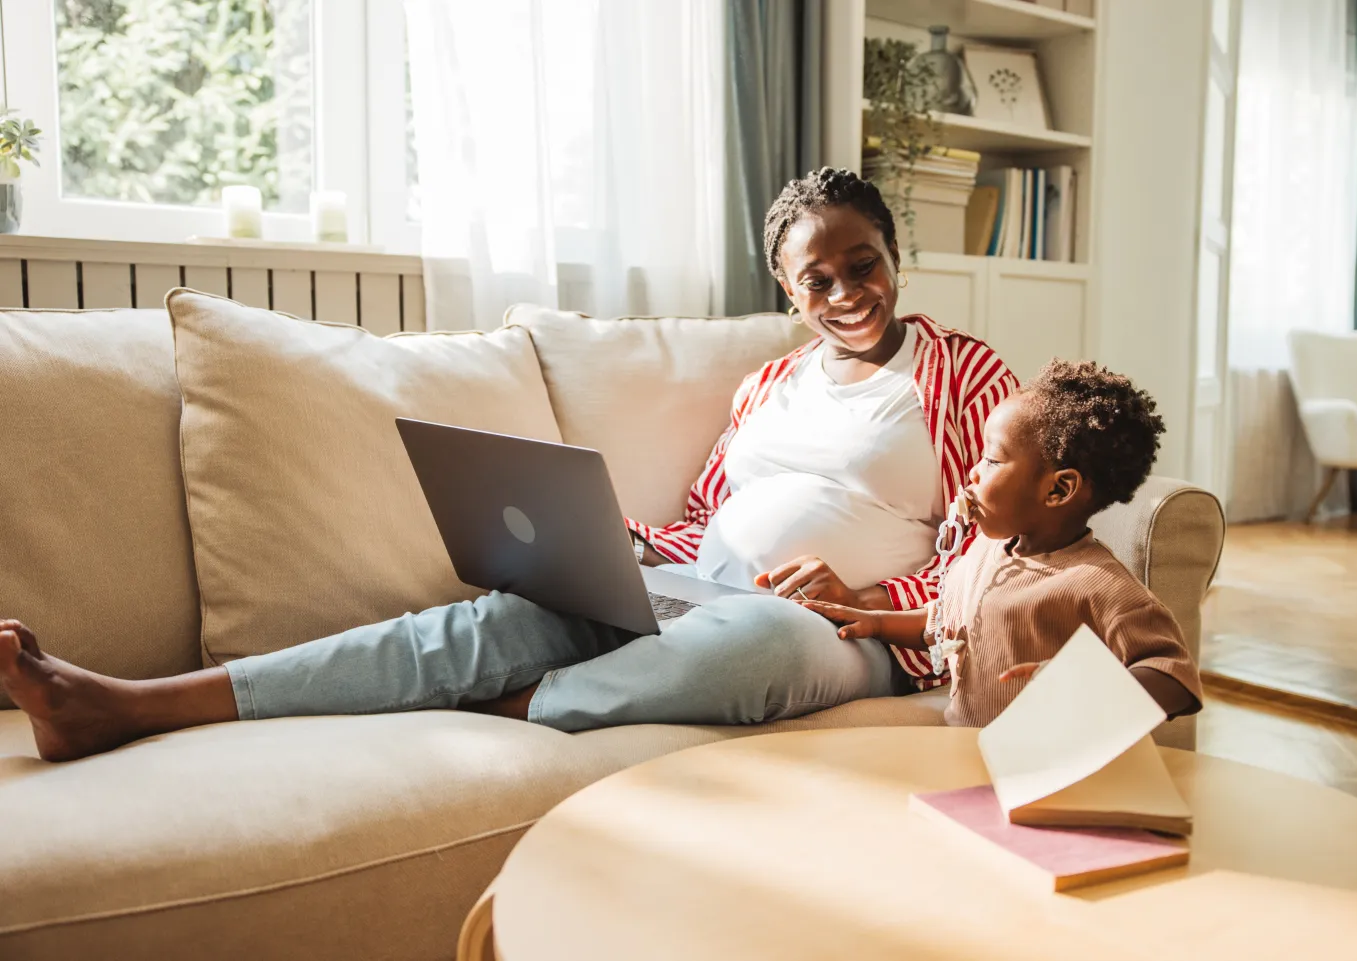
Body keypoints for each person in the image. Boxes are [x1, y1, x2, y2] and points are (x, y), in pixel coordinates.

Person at [0, 168, 1017, 762]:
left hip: (839, 633)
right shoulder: (769, 386)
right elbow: (709, 519)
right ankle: (132, 703)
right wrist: (611, 545)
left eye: (863, 265)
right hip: (700, 584)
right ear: (790, 292)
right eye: (819, 277)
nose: (847, 291)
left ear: (896, 256)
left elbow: (990, 561)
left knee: (759, 645)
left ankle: (503, 708)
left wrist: (874, 596)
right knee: (492, 620)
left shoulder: (966, 374)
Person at [801, 359, 1203, 725]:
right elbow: (945, 623)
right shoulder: (983, 552)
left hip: (1041, 767)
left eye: (992, 461)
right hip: (965, 746)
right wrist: (877, 623)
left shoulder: (1098, 583)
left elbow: (1174, 677)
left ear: (1059, 489)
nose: (973, 474)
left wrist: (1088, 688)